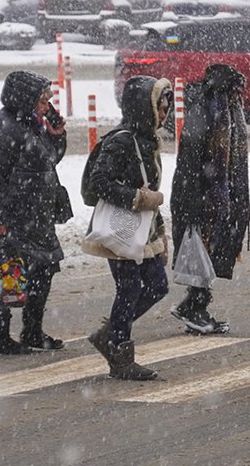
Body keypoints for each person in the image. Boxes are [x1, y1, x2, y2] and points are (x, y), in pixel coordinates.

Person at [0, 71, 68, 355]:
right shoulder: (3, 129)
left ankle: (32, 331)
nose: (46, 105)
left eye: (47, 100)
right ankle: (0, 336)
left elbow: (48, 160)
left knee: (44, 269)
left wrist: (57, 135)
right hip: (12, 215)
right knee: (4, 272)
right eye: (42, 99)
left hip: (35, 215)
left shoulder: (30, 124)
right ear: (26, 99)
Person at [84, 75, 172, 381]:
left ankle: (110, 334)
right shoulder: (121, 140)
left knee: (158, 285)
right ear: (143, 107)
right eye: (160, 107)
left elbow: (148, 188)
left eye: (166, 107)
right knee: (130, 288)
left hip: (142, 228)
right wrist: (136, 198)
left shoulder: (147, 140)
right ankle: (120, 353)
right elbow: (99, 182)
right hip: (120, 227)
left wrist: (160, 231)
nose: (165, 114)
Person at [170, 63, 250, 335]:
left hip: (218, 196)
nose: (239, 97)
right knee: (201, 253)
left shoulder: (226, 113)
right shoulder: (206, 112)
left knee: (212, 251)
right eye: (235, 91)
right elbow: (190, 160)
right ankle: (193, 307)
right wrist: (194, 199)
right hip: (202, 195)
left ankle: (195, 306)